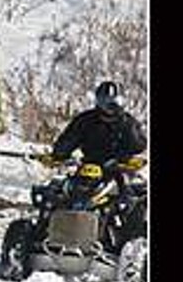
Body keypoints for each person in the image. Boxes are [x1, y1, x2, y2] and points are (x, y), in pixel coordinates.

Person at [50, 80, 147, 245]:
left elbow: (139, 144)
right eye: (106, 102)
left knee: (128, 201)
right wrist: (60, 154)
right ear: (98, 101)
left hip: (118, 169)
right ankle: (45, 232)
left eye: (115, 102)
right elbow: (68, 140)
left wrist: (127, 154)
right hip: (89, 166)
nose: (110, 107)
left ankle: (128, 242)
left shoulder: (127, 122)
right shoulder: (86, 120)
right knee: (58, 193)